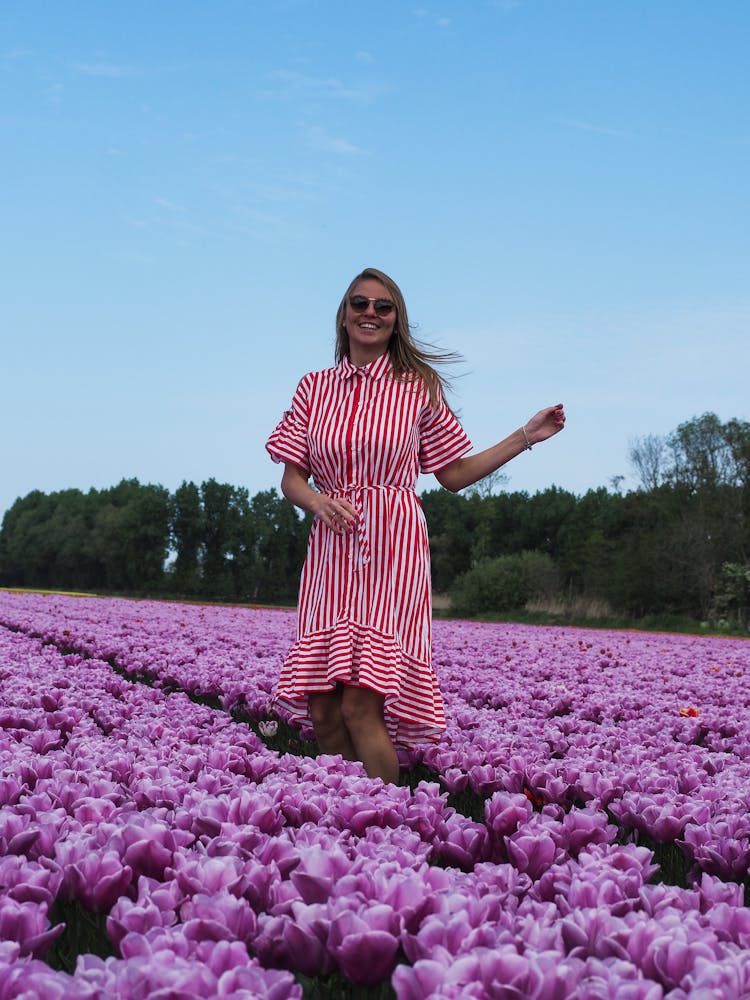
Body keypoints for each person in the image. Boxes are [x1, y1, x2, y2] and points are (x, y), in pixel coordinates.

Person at [266, 267, 565, 784]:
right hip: (331, 553)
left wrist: (525, 435)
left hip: (392, 548)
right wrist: (317, 501)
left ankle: (386, 824)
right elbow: (292, 480)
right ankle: (345, 813)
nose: (370, 313)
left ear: (396, 320)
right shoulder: (313, 388)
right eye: (360, 303)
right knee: (322, 710)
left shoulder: (416, 388)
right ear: (343, 315)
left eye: (383, 307)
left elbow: (454, 473)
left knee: (361, 705)